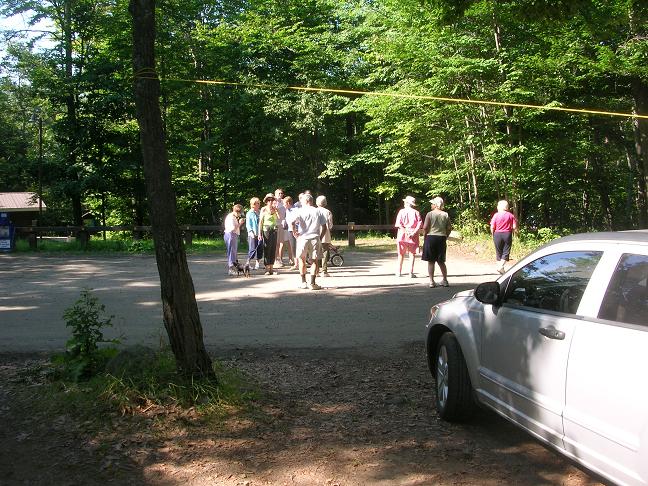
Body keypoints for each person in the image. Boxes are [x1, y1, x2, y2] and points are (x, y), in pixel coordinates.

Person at [292, 193, 327, 290]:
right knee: (314, 261)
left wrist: (294, 232)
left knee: (301, 259)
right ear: (311, 201)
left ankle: (303, 282)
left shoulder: (299, 211)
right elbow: (324, 227)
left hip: (302, 237)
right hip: (315, 237)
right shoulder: (318, 211)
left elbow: (292, 222)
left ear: (306, 201)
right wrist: (320, 237)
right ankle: (313, 283)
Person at [422, 197, 452, 288]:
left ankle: (431, 281)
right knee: (441, 261)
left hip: (431, 237)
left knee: (431, 261)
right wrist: (446, 235)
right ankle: (445, 280)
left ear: (435, 205)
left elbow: (425, 227)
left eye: (432, 204)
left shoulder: (429, 214)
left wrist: (424, 236)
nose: (431, 205)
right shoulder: (445, 215)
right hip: (441, 238)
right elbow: (449, 228)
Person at [394, 195, 422, 277]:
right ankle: (411, 272)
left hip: (402, 234)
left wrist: (405, 231)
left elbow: (399, 224)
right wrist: (413, 232)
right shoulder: (416, 213)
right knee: (412, 254)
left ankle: (399, 272)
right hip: (413, 235)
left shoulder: (401, 212)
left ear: (406, 203)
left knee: (401, 254)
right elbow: (419, 225)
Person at [490, 199, 518, 274]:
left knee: (498, 251)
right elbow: (514, 227)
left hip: (497, 234)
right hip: (507, 234)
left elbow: (492, 226)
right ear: (507, 207)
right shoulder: (510, 215)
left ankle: (500, 268)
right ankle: (501, 267)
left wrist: (492, 234)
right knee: (506, 251)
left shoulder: (496, 215)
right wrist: (516, 233)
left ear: (500, 207)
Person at [259, 193, 279, 275]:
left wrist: (276, 210)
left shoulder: (275, 209)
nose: (270, 201)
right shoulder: (263, 209)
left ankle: (271, 268)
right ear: (266, 201)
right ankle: (267, 268)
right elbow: (260, 222)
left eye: (272, 200)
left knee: (273, 248)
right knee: (267, 248)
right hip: (266, 229)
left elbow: (279, 218)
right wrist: (259, 234)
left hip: (274, 229)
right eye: (269, 200)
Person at [223, 203, 245, 275]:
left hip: (232, 235)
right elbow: (233, 229)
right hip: (231, 235)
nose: (240, 215)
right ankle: (231, 269)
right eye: (240, 213)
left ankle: (234, 268)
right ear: (237, 211)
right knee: (232, 252)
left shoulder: (232, 216)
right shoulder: (231, 217)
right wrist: (240, 223)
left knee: (233, 252)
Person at [316, 195, 333, 277]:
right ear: (325, 203)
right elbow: (330, 225)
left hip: (315, 232)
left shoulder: (314, 211)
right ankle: (324, 271)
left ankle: (316, 270)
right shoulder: (328, 212)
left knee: (315, 251)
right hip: (325, 233)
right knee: (325, 251)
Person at [245, 197, 263, 270]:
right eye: (257, 203)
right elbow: (248, 224)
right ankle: (247, 263)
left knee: (260, 249)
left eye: (259, 203)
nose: (259, 205)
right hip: (252, 234)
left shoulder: (259, 212)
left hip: (259, 233)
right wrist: (251, 232)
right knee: (252, 249)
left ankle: (257, 264)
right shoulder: (249, 213)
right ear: (253, 204)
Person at [274, 188, 288, 267]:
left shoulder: (284, 202)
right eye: (279, 193)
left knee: (282, 243)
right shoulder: (274, 202)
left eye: (281, 193)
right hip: (275, 224)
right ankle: (276, 259)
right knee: (276, 243)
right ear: (275, 194)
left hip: (283, 224)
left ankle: (280, 259)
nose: (280, 195)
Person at [283, 196, 298, 269]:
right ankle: (296, 263)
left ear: (288, 203)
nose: (283, 205)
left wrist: (294, 230)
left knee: (296, 246)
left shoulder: (295, 210)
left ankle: (298, 264)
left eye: (284, 203)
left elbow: (296, 221)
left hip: (295, 230)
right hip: (289, 230)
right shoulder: (287, 210)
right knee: (293, 247)